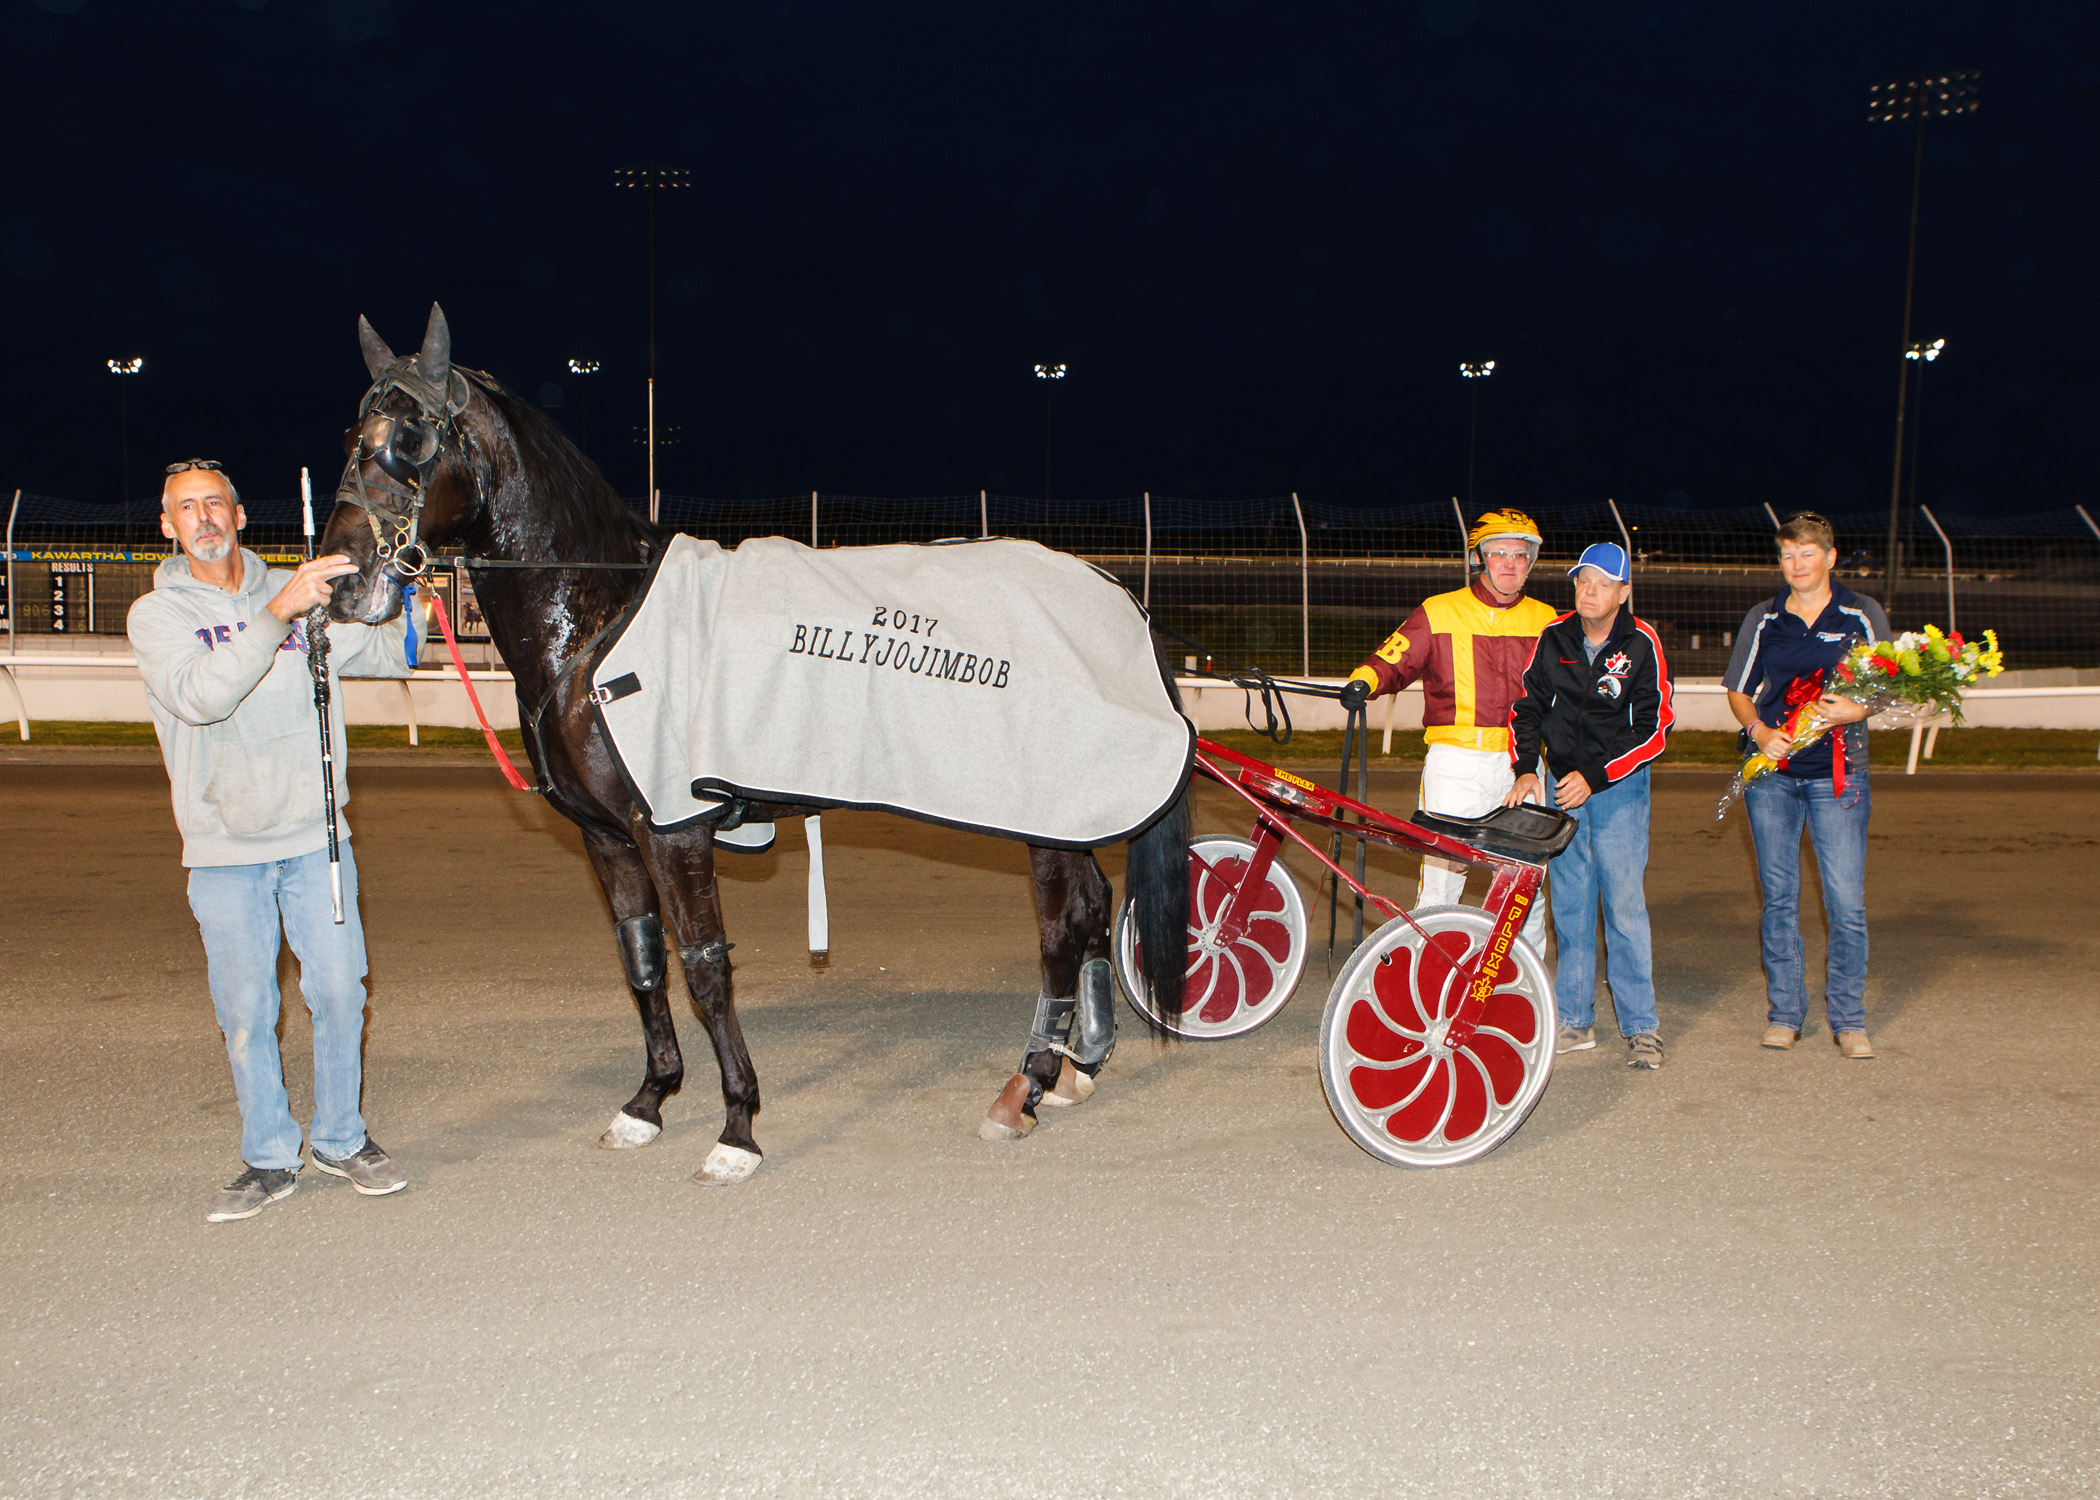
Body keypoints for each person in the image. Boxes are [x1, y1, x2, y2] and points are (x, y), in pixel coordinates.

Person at [127, 459, 418, 1221]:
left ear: (241, 513)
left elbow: (390, 654)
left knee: (339, 992)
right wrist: (278, 614)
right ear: (168, 525)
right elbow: (203, 695)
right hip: (224, 852)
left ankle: (340, 1138)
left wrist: (403, 587)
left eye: (214, 502)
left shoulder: (300, 595)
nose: (203, 517)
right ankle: (267, 1157)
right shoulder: (156, 615)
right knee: (250, 1012)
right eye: (186, 507)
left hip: (315, 841)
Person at [1340, 509, 1560, 954]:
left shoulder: (1547, 618)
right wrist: (1364, 680)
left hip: (1524, 768)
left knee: (1526, 889)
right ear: (1480, 557)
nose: (1510, 564)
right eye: (1499, 553)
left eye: (1521, 555)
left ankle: (1525, 990)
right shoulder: (1439, 610)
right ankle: (1429, 975)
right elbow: (1394, 657)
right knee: (1442, 882)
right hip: (1456, 765)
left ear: (1531, 562)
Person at [1724, 511, 1891, 1059]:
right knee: (1779, 899)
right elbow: (1740, 689)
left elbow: (1887, 682)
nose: (1797, 564)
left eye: (1807, 553)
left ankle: (1848, 1018)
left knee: (1845, 904)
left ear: (1830, 557)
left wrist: (1857, 707)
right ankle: (1786, 1015)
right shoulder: (1765, 617)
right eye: (1788, 555)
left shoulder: (1860, 613)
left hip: (1839, 776)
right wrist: (1759, 730)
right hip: (1774, 776)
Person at [1504, 543, 1674, 1066]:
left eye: (1603, 583)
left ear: (1624, 592)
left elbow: (1656, 728)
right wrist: (1527, 768)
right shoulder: (1554, 637)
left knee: (1623, 906)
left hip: (1617, 789)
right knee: (1572, 908)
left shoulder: (1642, 642)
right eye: (1582, 581)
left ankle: (1642, 1027)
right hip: (1561, 790)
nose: (1589, 591)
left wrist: (1595, 776)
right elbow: (1526, 709)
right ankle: (1575, 1022)